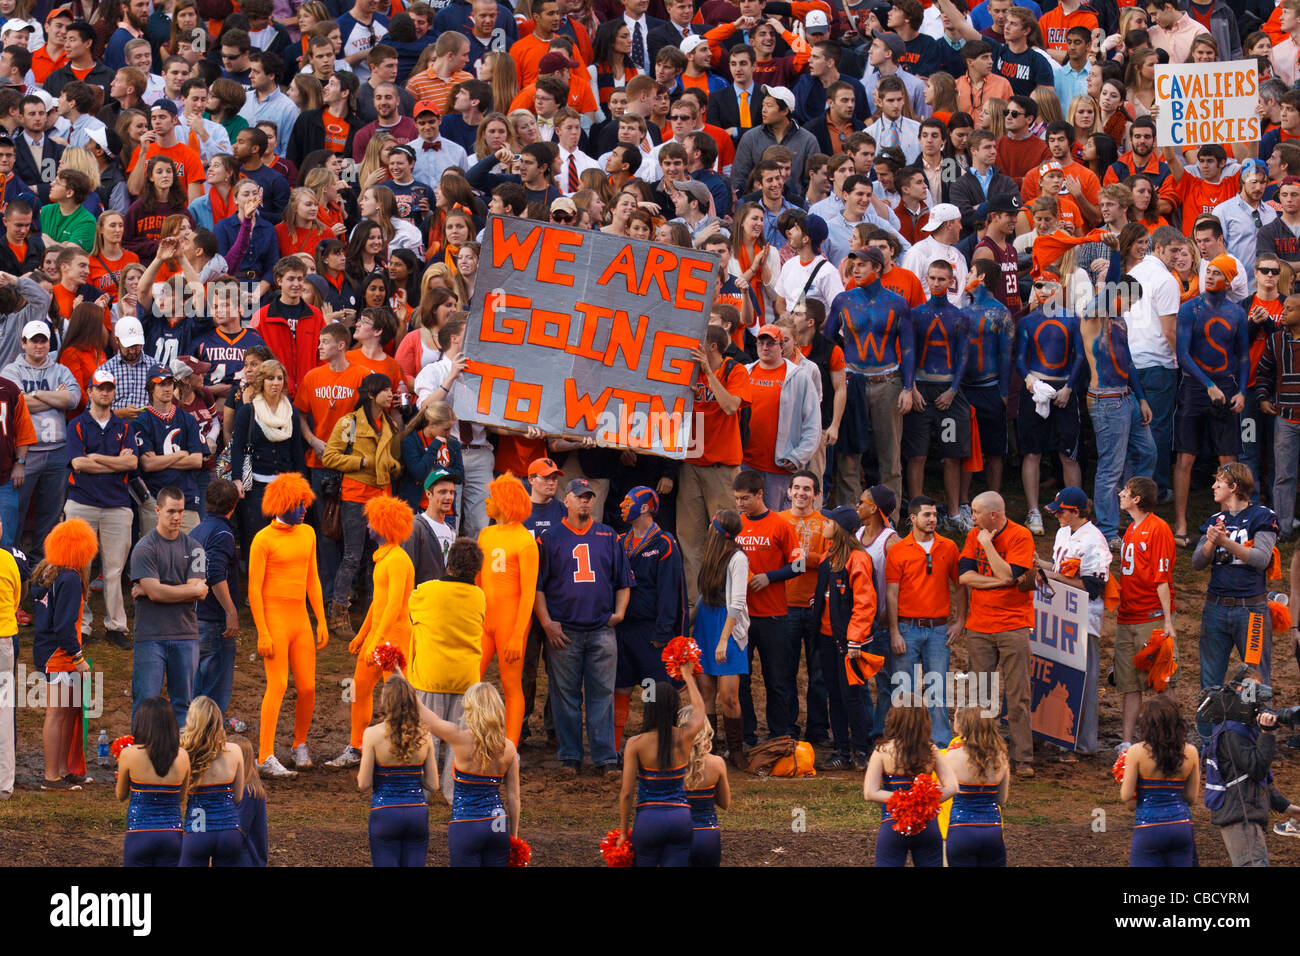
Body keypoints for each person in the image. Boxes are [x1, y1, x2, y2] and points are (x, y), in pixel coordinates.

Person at [534, 477, 632, 777]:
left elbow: (623, 581)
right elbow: (538, 587)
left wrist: (619, 613)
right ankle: (570, 757)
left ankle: (605, 758)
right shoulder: (549, 538)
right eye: (580, 496)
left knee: (602, 694)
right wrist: (547, 622)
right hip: (565, 630)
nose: (586, 501)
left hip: (601, 628)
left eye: (589, 497)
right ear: (567, 500)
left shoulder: (608, 535)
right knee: (565, 697)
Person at [248, 472, 329, 777]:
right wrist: (263, 631)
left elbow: (313, 579)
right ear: (283, 503)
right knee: (278, 684)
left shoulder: (307, 533)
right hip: (275, 619)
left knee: (308, 686)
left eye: (305, 502)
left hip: (299, 619)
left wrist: (321, 618)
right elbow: (253, 590)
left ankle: (299, 743)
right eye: (299, 503)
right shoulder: (262, 540)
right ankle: (264, 754)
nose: (305, 508)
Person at [1192, 464, 1280, 743]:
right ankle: (1211, 744)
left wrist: (1226, 543)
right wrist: (1210, 542)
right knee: (1211, 680)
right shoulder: (1215, 518)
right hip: (1215, 605)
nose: (1214, 486)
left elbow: (1261, 559)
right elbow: (1197, 562)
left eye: (1219, 482)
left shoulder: (1263, 516)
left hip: (1250, 609)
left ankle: (1257, 740)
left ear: (1234, 487)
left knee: (1255, 678)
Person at [331, 495, 415, 769]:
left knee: (398, 697)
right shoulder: (385, 559)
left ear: (384, 525)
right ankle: (356, 746)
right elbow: (378, 605)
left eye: (372, 522)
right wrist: (361, 635)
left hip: (395, 641)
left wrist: (375, 640)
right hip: (378, 639)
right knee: (359, 689)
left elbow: (393, 607)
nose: (367, 526)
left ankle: (401, 749)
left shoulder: (398, 560)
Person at [957, 491, 1037, 776]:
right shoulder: (972, 536)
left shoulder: (1020, 536)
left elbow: (1011, 574)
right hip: (979, 626)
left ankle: (1023, 759)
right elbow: (964, 576)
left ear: (993, 515)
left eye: (976, 512)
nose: (972, 517)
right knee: (980, 694)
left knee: (1018, 696)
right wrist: (997, 582)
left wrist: (988, 547)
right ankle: (984, 753)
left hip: (1013, 625)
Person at [1172, 256, 1250, 546]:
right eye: (1209, 271)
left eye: (1217, 273)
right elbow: (1183, 354)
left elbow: (1242, 356)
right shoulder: (1190, 308)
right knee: (1185, 456)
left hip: (1226, 386)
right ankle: (1180, 522)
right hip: (1194, 387)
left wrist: (1241, 390)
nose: (1209, 276)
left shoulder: (1237, 313)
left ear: (1228, 281)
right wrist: (1207, 385)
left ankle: (1225, 523)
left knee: (1228, 458)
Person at [321, 373, 401, 641]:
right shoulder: (350, 423)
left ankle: (373, 614)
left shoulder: (388, 423)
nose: (391, 395)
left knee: (376, 558)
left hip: (382, 497)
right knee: (353, 556)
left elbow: (394, 459)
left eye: (391, 390)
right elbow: (330, 456)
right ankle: (338, 614)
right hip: (356, 495)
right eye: (385, 390)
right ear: (371, 394)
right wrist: (362, 463)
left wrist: (392, 465)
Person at [410, 678, 521, 867]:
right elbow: (514, 796)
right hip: (498, 825)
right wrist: (514, 837)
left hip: (466, 824)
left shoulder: (459, 738)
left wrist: (399, 674)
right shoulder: (509, 748)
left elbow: (426, 716)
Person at [407, 537, 485, 803]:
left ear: (448, 563)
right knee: (461, 741)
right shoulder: (479, 596)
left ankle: (423, 792)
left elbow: (411, 612)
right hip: (466, 679)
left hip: (431, 676)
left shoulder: (426, 591)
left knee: (427, 737)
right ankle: (455, 794)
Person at [64, 368, 136, 648]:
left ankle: (116, 626)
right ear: (90, 391)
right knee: (79, 567)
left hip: (117, 504)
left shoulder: (125, 426)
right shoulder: (77, 425)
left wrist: (96, 457)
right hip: (82, 502)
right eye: (100, 388)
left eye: (109, 388)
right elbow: (78, 464)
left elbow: (131, 464)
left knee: (115, 569)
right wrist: (113, 461)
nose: (105, 392)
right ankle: (81, 624)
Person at [886, 496, 965, 746]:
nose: (932, 519)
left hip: (939, 628)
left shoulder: (949, 547)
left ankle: (940, 744)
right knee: (902, 689)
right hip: (907, 627)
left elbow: (961, 585)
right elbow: (891, 593)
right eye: (927, 515)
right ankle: (903, 742)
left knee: (937, 690)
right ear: (912, 519)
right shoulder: (898, 550)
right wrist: (894, 631)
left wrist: (961, 620)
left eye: (934, 514)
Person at [1035, 487, 1109, 757]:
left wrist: (1052, 576)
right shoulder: (1063, 532)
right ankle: (1056, 735)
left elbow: (1094, 585)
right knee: (1059, 677)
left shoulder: (1095, 540)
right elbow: (1056, 568)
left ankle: (1085, 743)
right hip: (1060, 614)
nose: (1057, 516)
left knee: (1085, 682)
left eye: (1061, 512)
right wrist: (1038, 564)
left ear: (1076, 512)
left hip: (1085, 619)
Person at [1203, 666, 1300, 865]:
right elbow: (1256, 768)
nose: (1257, 697)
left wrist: (1289, 809)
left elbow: (1254, 779)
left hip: (1244, 812)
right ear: (1239, 690)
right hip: (1240, 816)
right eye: (1252, 689)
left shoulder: (1240, 727)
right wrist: (1267, 734)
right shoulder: (1232, 731)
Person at [129, 485, 209, 726]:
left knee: (184, 702)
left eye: (181, 511)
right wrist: (186, 590)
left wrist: (154, 589)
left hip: (186, 636)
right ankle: (140, 756)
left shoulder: (195, 548)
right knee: (146, 702)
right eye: (171, 511)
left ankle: (182, 756)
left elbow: (198, 592)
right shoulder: (144, 547)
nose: (176, 517)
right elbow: (163, 593)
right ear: (157, 510)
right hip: (150, 636)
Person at [2, 318, 78, 562]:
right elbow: (18, 406)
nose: (39, 345)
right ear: (23, 343)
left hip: (58, 451)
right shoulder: (12, 370)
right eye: (33, 341)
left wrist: (37, 394)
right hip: (27, 453)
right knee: (16, 513)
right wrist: (56, 396)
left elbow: (74, 398)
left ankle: (41, 567)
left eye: (43, 340)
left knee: (50, 513)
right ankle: (12, 563)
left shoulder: (61, 369)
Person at [30, 517, 97, 790]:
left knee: (68, 711)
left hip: (54, 651)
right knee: (58, 713)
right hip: (59, 654)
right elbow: (63, 624)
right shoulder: (69, 577)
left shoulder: (51, 571)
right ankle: (51, 775)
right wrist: (78, 657)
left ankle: (64, 770)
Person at [1017, 269, 1085, 535]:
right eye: (1038, 285)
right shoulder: (1027, 322)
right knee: (1032, 451)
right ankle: (1033, 509)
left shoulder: (1072, 319)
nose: (1043, 291)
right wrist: (1029, 381)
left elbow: (1079, 356)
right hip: (1036, 388)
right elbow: (1020, 358)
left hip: (1064, 389)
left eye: (1049, 285)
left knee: (1068, 454)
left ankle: (1075, 510)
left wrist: (1069, 387)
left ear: (1060, 288)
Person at [903, 261, 972, 525]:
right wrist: (913, 388)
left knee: (951, 453)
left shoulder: (959, 317)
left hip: (947, 396)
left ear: (951, 282)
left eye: (942, 279)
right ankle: (915, 513)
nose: (936, 283)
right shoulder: (916, 314)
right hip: (921, 391)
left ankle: (954, 513)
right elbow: (908, 352)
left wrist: (953, 391)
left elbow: (963, 356)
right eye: (932, 278)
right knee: (917, 454)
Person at [618, 671, 706, 867]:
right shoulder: (685, 736)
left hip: (648, 821)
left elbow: (626, 793)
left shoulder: (635, 744)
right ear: (674, 708)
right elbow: (700, 710)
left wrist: (624, 832)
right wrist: (688, 677)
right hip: (681, 819)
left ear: (649, 708)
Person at [811, 505, 876, 769]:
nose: (823, 524)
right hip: (827, 637)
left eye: (828, 521)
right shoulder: (831, 554)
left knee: (852, 696)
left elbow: (865, 604)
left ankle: (861, 751)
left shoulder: (858, 559)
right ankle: (841, 751)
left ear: (839, 528)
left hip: (849, 643)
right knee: (835, 696)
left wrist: (855, 640)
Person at [1116, 476, 1178, 751]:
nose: (1120, 494)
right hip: (1128, 615)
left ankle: (1169, 739)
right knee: (1129, 684)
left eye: (1126, 492)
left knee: (1162, 681)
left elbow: (1162, 577)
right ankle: (1128, 741)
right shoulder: (1132, 528)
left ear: (1137, 499)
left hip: (1151, 615)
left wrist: (1167, 619)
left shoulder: (1158, 529)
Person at [476, 473, 538, 746]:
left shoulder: (525, 541)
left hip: (510, 624)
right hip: (484, 622)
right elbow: (477, 584)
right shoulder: (485, 534)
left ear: (504, 502)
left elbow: (528, 594)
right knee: (469, 680)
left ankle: (511, 745)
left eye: (492, 497)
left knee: (511, 684)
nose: (487, 501)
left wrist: (517, 634)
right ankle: (473, 735)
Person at [864, 703, 959, 867]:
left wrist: (903, 799)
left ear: (894, 719)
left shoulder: (883, 750)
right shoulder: (931, 750)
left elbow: (870, 792)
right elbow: (952, 787)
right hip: (926, 825)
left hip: (893, 824)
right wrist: (923, 802)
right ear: (924, 721)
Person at [356, 676, 437, 867]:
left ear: (386, 701)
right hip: (417, 813)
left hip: (385, 813)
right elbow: (433, 785)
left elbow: (363, 783)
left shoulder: (372, 734)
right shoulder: (425, 735)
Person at [1119, 695, 1199, 867]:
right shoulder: (1191, 752)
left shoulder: (1136, 752)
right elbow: (1191, 798)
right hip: (1181, 827)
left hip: (1148, 828)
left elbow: (1127, 796)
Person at [116, 696, 190, 866]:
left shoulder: (129, 754)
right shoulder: (183, 756)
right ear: (171, 725)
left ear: (141, 723)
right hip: (173, 834)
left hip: (139, 833)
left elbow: (121, 795)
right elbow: (181, 797)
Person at [191, 479, 242, 722]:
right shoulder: (223, 533)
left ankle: (191, 735)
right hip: (214, 621)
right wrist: (230, 611)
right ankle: (207, 739)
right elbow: (214, 573)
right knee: (213, 692)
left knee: (196, 687)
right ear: (233, 505)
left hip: (195, 617)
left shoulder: (196, 530)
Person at [177, 696, 245, 867]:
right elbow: (238, 797)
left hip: (197, 831)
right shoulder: (235, 751)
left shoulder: (184, 753)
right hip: (229, 830)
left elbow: (179, 797)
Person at [943, 705, 1010, 867]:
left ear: (961, 725)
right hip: (992, 831)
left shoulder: (951, 756)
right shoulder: (1001, 757)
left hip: (961, 830)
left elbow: (940, 795)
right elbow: (1002, 799)